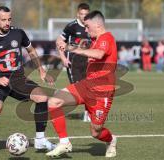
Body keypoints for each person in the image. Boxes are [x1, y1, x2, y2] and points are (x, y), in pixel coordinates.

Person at [0, 6, 56, 155]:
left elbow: (31, 51)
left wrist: (41, 70)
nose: (7, 22)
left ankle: (40, 139)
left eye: (9, 19)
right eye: (3, 20)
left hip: (18, 78)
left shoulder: (18, 33)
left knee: (42, 97)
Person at [46, 10, 117, 158]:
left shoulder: (107, 37)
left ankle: (111, 140)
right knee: (53, 101)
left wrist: (72, 48)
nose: (85, 29)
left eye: (87, 26)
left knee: (95, 132)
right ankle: (64, 143)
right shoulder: (95, 40)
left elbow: (98, 54)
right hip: (86, 86)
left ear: (97, 24)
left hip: (102, 93)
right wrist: (63, 45)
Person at [56, 3, 91, 122]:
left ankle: (88, 114)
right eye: (82, 14)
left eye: (86, 14)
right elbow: (59, 41)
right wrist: (63, 58)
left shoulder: (91, 26)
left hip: (87, 62)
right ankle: (55, 101)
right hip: (73, 63)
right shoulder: (71, 26)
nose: (84, 16)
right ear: (78, 14)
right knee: (78, 90)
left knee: (89, 88)